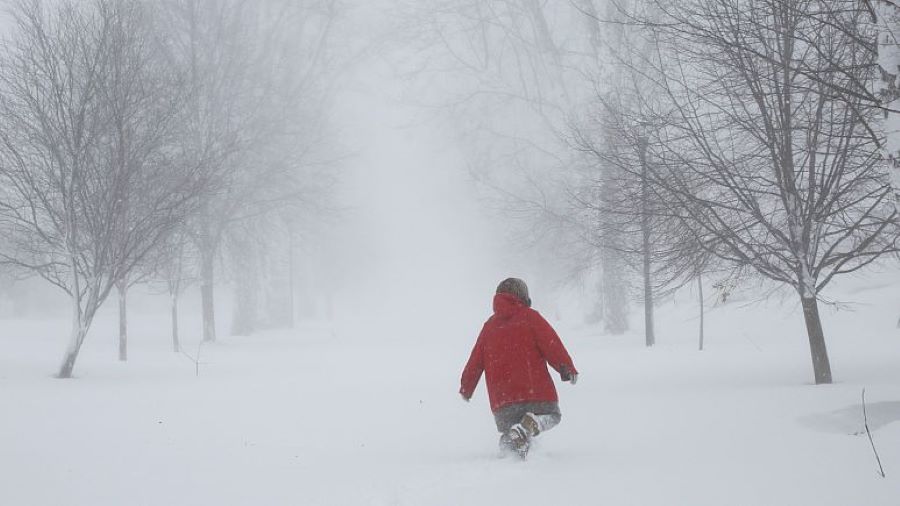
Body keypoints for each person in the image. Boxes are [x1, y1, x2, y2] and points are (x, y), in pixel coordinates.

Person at [459, 278, 578, 458]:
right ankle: (532, 424)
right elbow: (551, 344)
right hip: (535, 393)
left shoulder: (489, 326)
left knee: (513, 430)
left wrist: (466, 387)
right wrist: (567, 367)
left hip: (503, 401)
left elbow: (475, 360)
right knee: (552, 416)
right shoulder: (530, 317)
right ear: (523, 296)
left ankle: (510, 449)